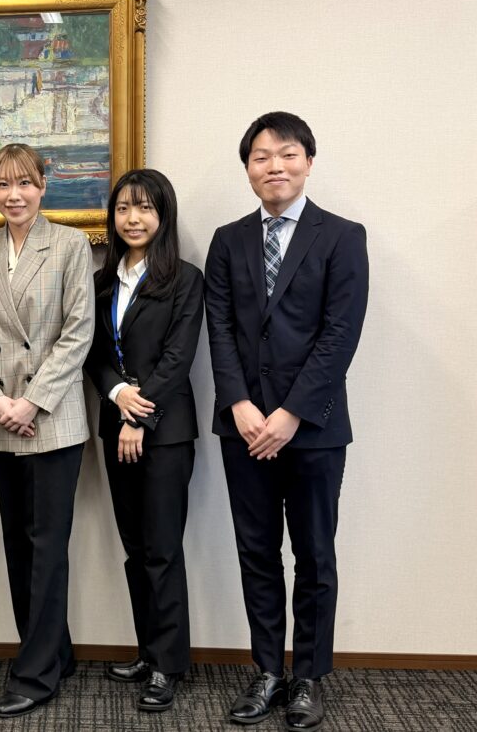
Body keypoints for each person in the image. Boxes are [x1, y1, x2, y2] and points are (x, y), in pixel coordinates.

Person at [204, 112, 368, 731]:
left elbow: (339, 334)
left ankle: (309, 677)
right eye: (261, 157)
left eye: (288, 154)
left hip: (314, 427)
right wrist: (240, 404)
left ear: (308, 162)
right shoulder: (228, 240)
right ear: (248, 169)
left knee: (315, 555)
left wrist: (292, 412)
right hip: (243, 427)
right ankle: (268, 670)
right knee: (256, 552)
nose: (275, 166)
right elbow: (219, 328)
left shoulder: (342, 236)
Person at [0, 143, 94, 718]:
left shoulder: (69, 244)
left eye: (24, 183)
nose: (13, 195)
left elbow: (78, 333)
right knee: (17, 544)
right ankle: (53, 652)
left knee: (47, 547)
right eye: (2, 185)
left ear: (44, 185)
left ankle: (35, 674)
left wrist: (31, 402)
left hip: (53, 419)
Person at [84, 169, 204, 713]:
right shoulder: (101, 281)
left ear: (163, 215)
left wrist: (139, 415)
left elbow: (178, 358)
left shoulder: (185, 279)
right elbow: (92, 353)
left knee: (162, 549)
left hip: (164, 434)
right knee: (135, 548)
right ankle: (147, 650)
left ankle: (168, 664)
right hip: (116, 428)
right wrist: (117, 396)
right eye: (123, 208)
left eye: (145, 208)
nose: (133, 219)